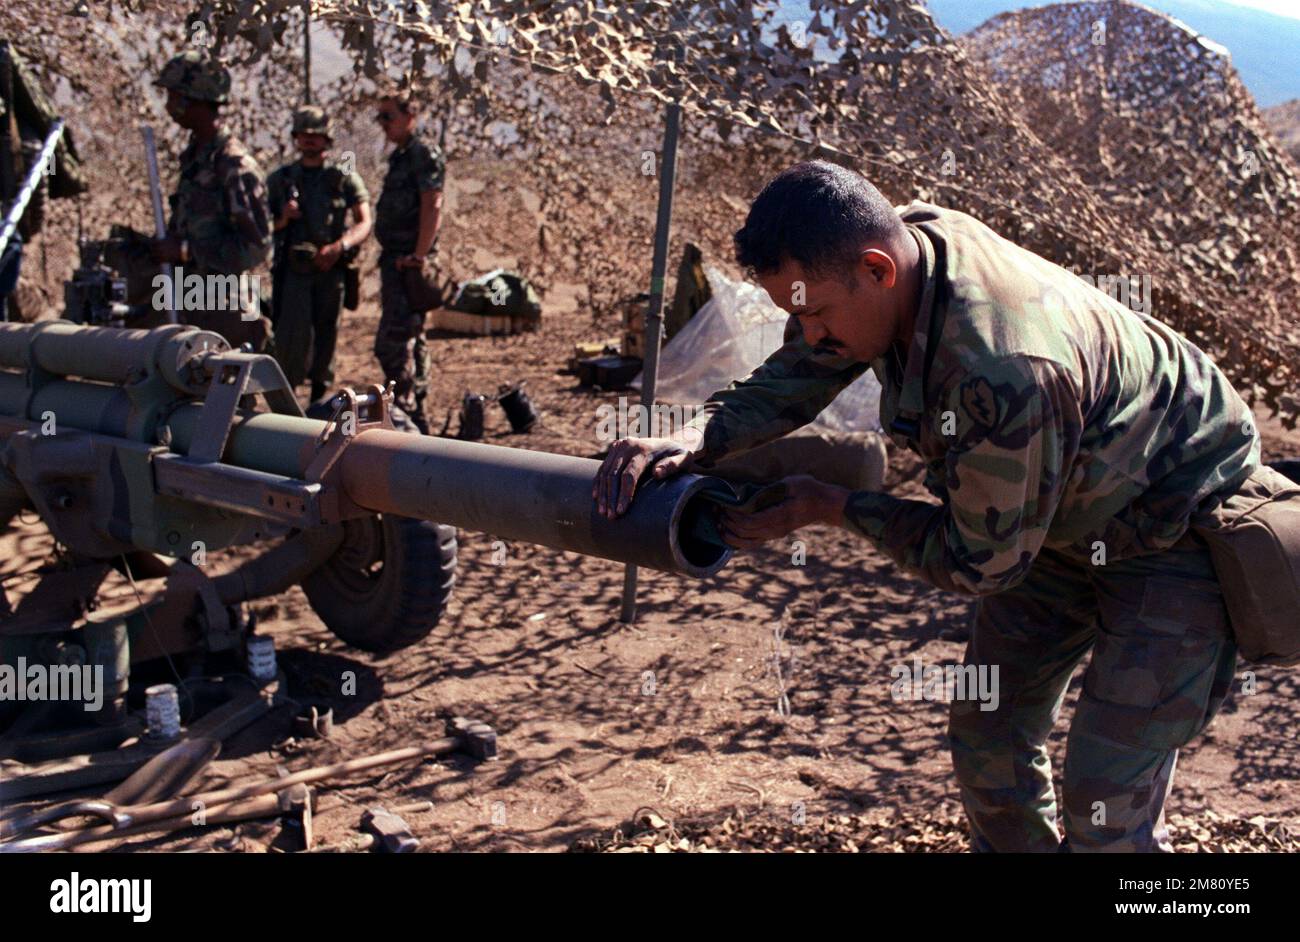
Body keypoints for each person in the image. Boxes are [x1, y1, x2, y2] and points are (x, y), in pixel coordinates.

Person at [595, 160, 1261, 853]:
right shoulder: (895, 257)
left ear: (879, 270)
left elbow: (980, 564)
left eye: (816, 313)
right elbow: (803, 366)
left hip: (1173, 524)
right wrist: (698, 436)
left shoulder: (1000, 371)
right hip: (1054, 516)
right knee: (989, 736)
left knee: (1105, 804)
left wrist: (833, 507)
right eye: (796, 314)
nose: (810, 333)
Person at [150, 50, 272, 349]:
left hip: (224, 308)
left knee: (225, 393)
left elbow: (256, 247)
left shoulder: (233, 165)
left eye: (173, 96)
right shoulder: (195, 159)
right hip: (190, 301)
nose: (168, 105)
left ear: (193, 99)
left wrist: (186, 251)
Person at [267, 106, 372, 403]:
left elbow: (364, 221)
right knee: (289, 337)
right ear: (295, 138)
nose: (310, 141)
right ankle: (286, 404)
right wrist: (283, 218)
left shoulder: (343, 177)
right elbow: (259, 226)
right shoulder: (281, 180)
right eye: (304, 135)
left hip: (331, 269)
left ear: (328, 140)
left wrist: (340, 246)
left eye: (316, 135)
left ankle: (318, 401)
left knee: (327, 336)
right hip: (293, 273)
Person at [372, 89, 445, 434]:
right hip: (396, 262)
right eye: (380, 117)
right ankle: (415, 416)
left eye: (389, 116)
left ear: (409, 117)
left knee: (395, 341)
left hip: (407, 263)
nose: (382, 124)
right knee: (409, 339)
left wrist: (419, 257)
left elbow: (432, 203)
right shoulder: (401, 156)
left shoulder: (421, 154)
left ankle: (406, 413)